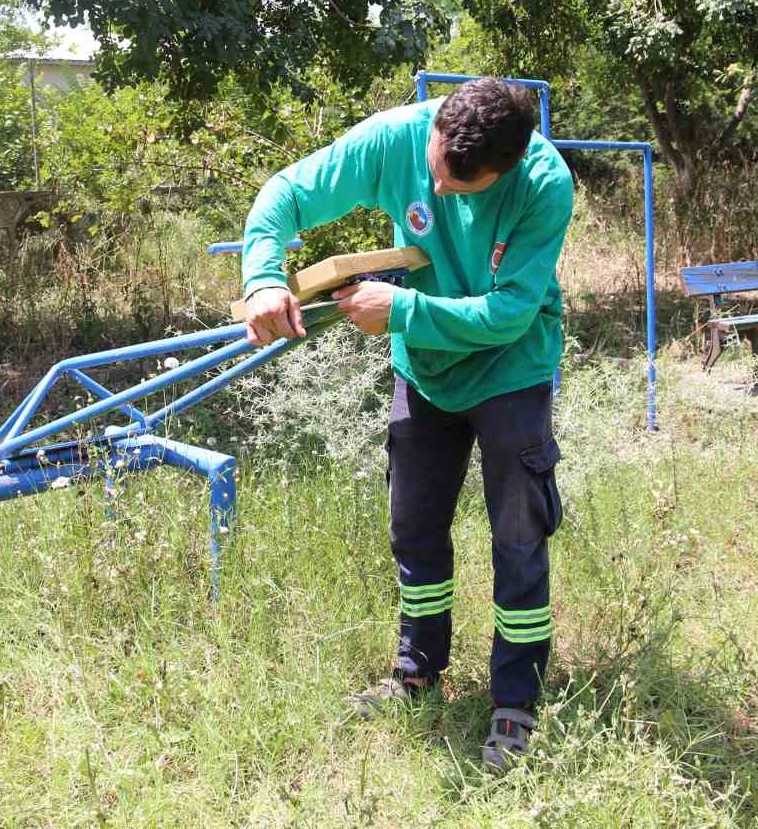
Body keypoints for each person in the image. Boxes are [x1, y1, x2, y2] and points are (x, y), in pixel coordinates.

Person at [238, 75, 574, 773]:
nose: (442, 194)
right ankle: (417, 673)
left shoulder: (544, 184)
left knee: (517, 536)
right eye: (437, 174)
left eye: (465, 186)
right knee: (414, 527)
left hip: (511, 369)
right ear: (436, 131)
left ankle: (516, 701)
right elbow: (287, 194)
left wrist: (402, 311)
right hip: (424, 371)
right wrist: (263, 277)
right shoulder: (396, 137)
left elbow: (510, 314)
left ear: (508, 167)